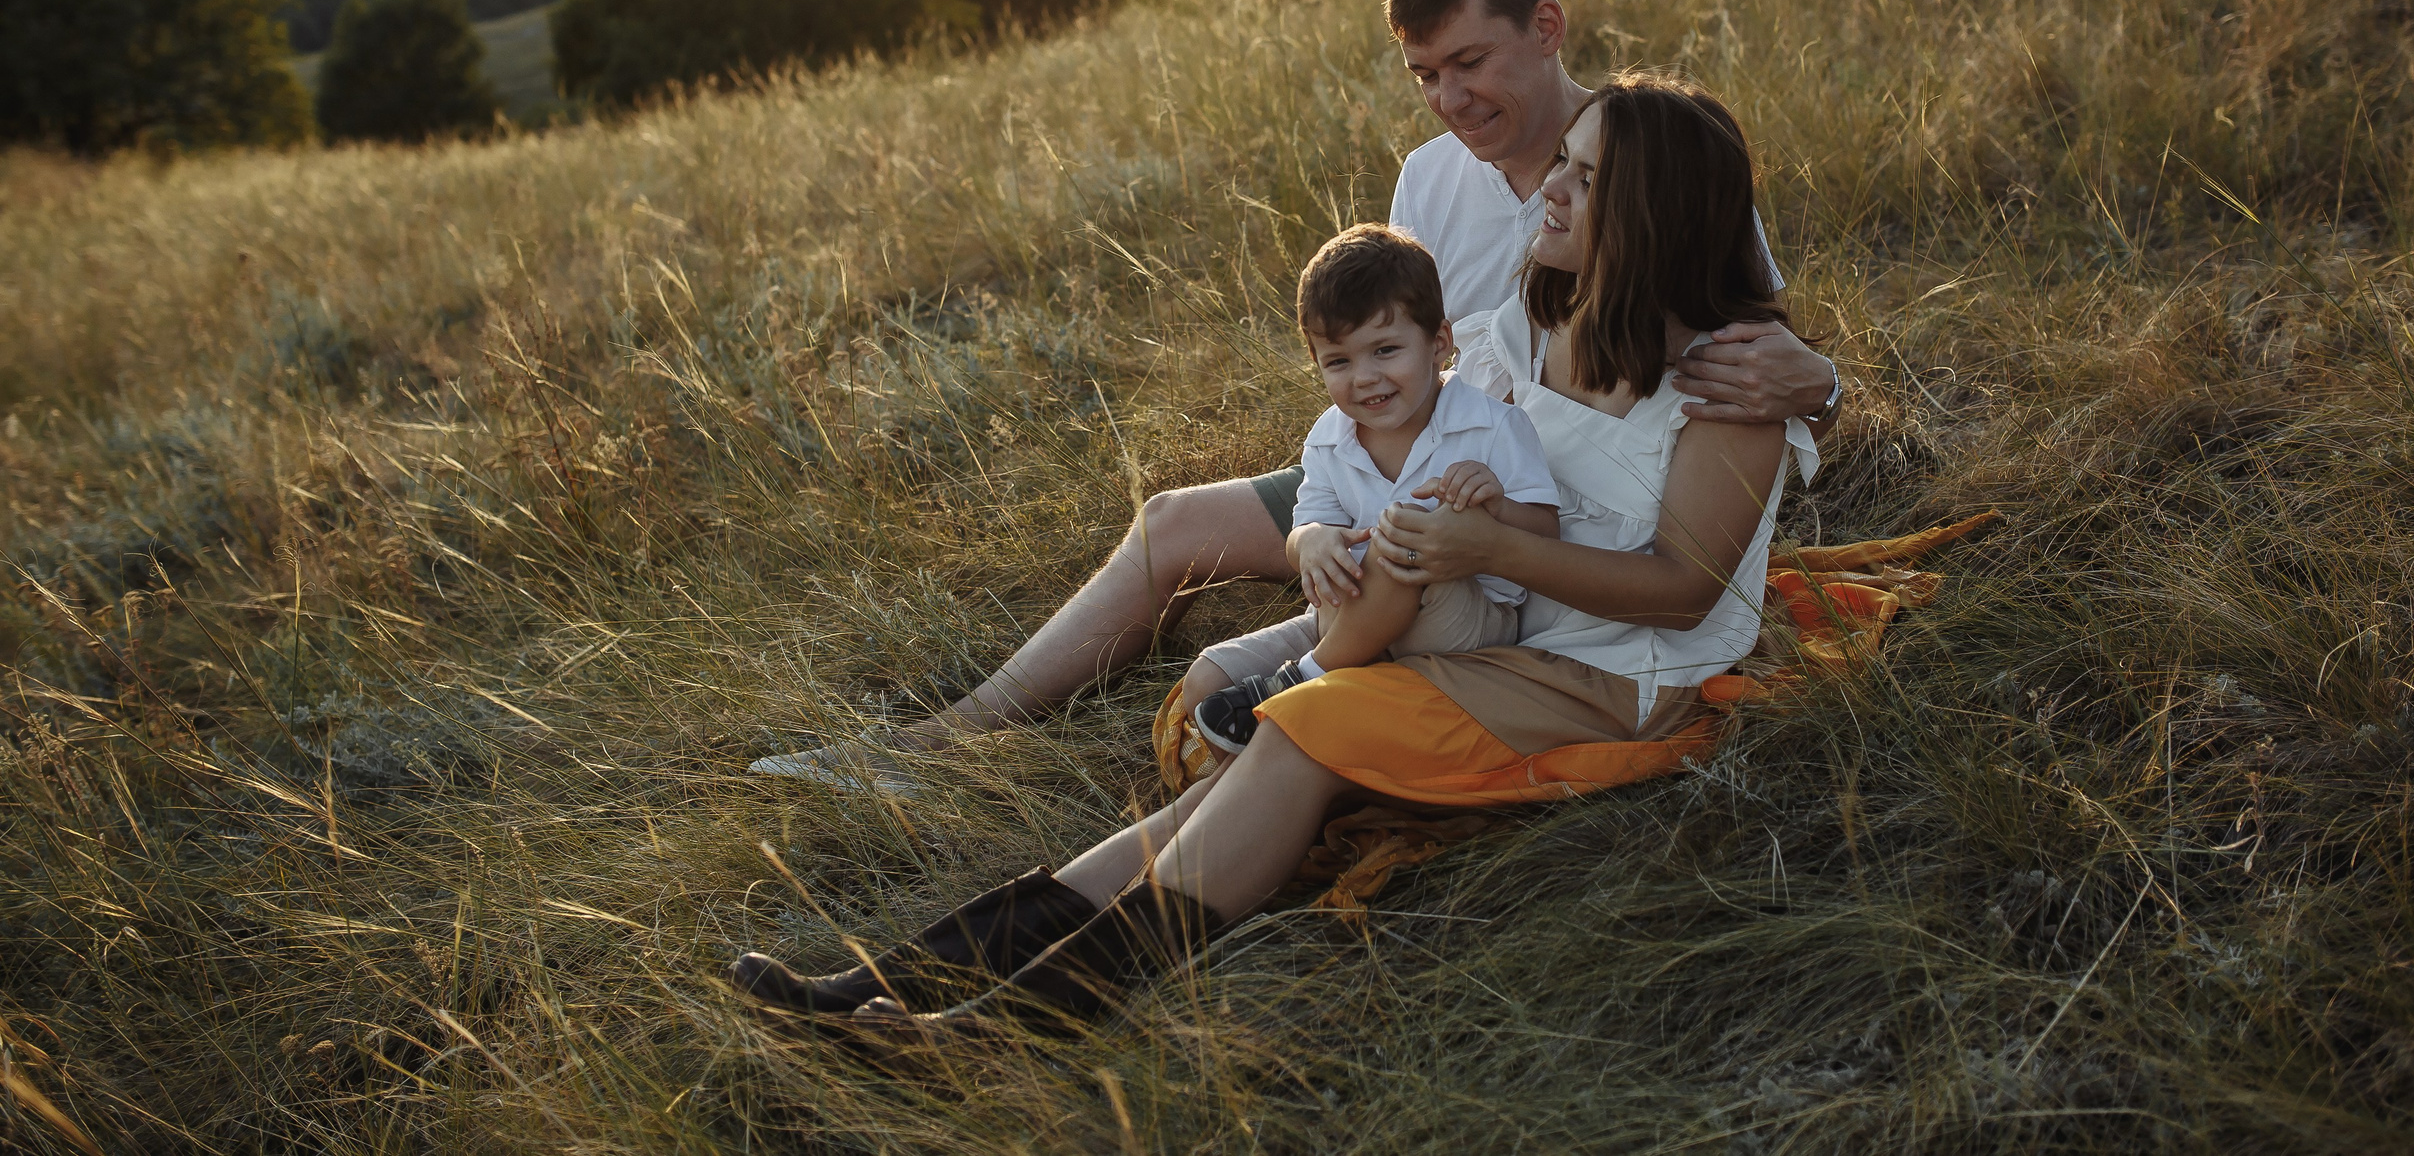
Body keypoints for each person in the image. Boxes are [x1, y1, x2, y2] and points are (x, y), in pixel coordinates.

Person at [729, 73, 1824, 1046]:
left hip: (1616, 683)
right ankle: (892, 981)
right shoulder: (1542, 323)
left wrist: (1487, 545)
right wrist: (1343, 546)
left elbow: (1684, 595)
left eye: (1582, 182)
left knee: (1300, 734)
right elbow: (1434, 456)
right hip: (1499, 631)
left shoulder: (1729, 393)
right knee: (1201, 799)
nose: (1551, 191)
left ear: (1647, 217)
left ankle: (998, 1033)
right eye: (1565, 168)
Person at [746, 0, 1840, 794]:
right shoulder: (1430, 179)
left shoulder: (1650, 163)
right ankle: (936, 750)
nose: (1451, 99)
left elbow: (1744, 349)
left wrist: (1823, 383)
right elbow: (1393, 353)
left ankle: (1292, 709)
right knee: (1175, 521)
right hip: (1420, 461)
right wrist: (1332, 502)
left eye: (1470, 61)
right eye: (1423, 74)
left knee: (1354, 608)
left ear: (1545, 28)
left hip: (1543, 516)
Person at [1188, 222, 1559, 755]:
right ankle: (1250, 786)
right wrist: (1311, 541)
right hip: (1353, 617)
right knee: (1207, 679)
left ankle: (1307, 679)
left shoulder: (1494, 427)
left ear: (1439, 343)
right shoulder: (1330, 438)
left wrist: (1497, 506)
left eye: (1385, 350)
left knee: (1403, 539)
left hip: (1461, 624)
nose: (1363, 377)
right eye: (1338, 361)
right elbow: (1304, 530)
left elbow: (1547, 531)